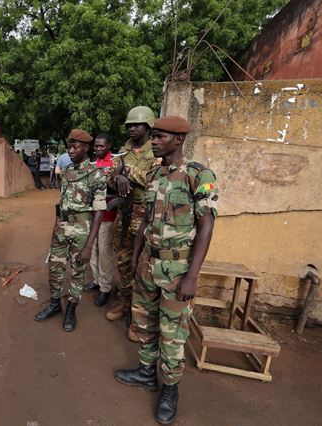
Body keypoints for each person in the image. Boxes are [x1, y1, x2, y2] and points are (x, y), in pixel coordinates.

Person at [114, 116, 217, 424]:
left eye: (160, 137)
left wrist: (193, 275)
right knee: (145, 323)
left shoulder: (198, 175)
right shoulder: (154, 174)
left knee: (172, 332)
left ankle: (170, 389)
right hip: (148, 262)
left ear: (178, 140)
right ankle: (147, 373)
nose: (154, 141)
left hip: (177, 268)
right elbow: (145, 219)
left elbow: (207, 225)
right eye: (154, 136)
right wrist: (135, 257)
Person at [34, 129, 106, 331]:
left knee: (78, 270)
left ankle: (71, 309)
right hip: (61, 226)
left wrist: (89, 245)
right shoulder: (66, 172)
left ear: (86, 148)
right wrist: (57, 226)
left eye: (75, 147)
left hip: (82, 229)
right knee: (55, 268)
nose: (71, 150)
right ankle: (55, 304)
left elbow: (99, 211)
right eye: (69, 146)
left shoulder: (95, 174)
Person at [106, 106, 157, 342]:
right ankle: (124, 304)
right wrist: (118, 176)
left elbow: (152, 179)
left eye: (136, 125)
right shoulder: (123, 152)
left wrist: (126, 173)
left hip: (144, 212)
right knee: (123, 260)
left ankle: (140, 319)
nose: (132, 128)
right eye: (129, 125)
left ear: (148, 126)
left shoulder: (155, 151)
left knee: (142, 266)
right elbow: (110, 176)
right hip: (124, 211)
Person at [83, 134, 117, 306]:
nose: (97, 149)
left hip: (108, 217)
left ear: (109, 146)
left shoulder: (116, 163)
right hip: (92, 215)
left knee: (104, 253)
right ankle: (96, 281)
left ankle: (105, 288)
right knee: (92, 251)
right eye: (95, 146)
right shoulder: (91, 164)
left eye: (101, 146)